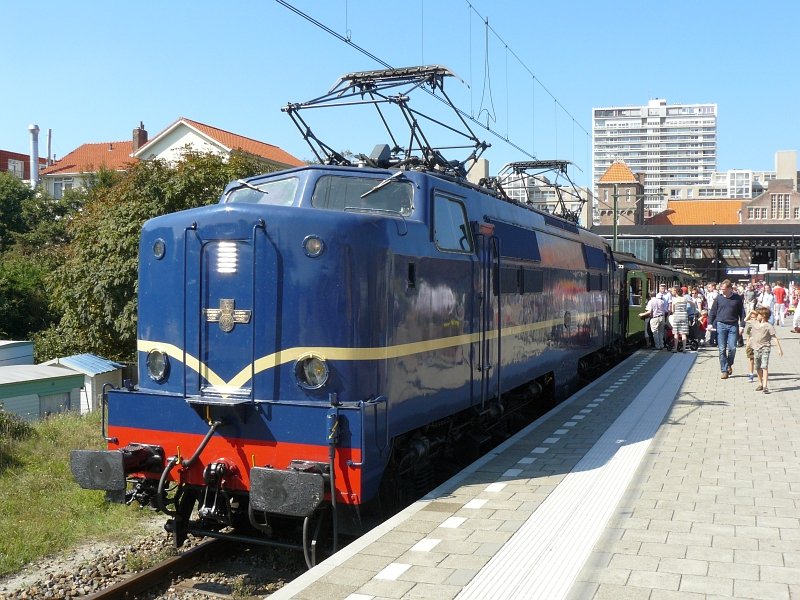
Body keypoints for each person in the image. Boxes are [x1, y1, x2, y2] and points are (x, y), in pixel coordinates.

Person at [709, 279, 746, 379]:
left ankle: (729, 364)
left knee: (732, 348)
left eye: (724, 289)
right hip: (721, 325)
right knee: (721, 349)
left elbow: (742, 313)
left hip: (733, 325)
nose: (722, 291)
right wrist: (709, 324)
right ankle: (724, 370)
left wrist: (742, 326)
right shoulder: (719, 298)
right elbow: (712, 311)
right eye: (721, 289)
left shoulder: (737, 298)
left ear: (730, 289)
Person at [747, 306, 783, 393]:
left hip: (765, 347)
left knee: (764, 366)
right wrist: (751, 312)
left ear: (763, 316)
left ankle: (765, 386)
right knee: (757, 367)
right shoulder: (755, 323)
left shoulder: (768, 326)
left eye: (758, 314)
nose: (756, 315)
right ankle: (760, 383)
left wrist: (779, 349)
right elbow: (745, 319)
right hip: (756, 348)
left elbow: (774, 338)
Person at [670, 287, 691, 352]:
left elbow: (672, 310)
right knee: (683, 333)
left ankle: (675, 349)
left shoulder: (675, 300)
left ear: (676, 293)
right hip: (684, 316)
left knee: (676, 333)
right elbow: (692, 304)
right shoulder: (685, 299)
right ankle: (684, 349)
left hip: (677, 316)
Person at [743, 310, 758, 383]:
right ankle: (751, 374)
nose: (752, 319)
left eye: (754, 318)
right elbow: (745, 319)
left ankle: (760, 373)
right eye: (751, 318)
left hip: (758, 344)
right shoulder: (749, 326)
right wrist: (747, 344)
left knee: (758, 360)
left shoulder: (759, 324)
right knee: (751, 360)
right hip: (750, 344)